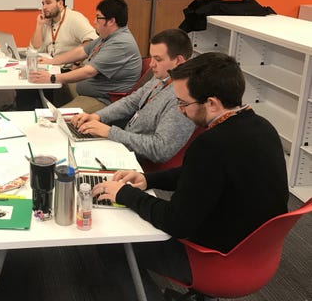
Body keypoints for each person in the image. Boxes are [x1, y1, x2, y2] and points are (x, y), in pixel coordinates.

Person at [92, 52, 289, 300]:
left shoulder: (210, 144)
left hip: (214, 260)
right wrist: (148, 180)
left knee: (111, 243)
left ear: (212, 104)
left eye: (184, 103)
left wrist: (125, 194)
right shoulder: (263, 127)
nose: (180, 110)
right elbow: (200, 176)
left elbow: (175, 222)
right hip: (256, 255)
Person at [70, 29, 196, 164]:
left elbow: (160, 149)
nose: (152, 64)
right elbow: (131, 101)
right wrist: (98, 116)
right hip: (123, 146)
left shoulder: (184, 98)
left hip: (138, 164)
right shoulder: (163, 76)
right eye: (152, 57)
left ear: (178, 61)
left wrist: (110, 132)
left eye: (158, 59)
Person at [28, 0, 142, 113]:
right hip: (90, 90)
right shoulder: (108, 37)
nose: (94, 21)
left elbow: (89, 71)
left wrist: (52, 78)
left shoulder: (120, 43)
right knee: (50, 91)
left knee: (56, 118)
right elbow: (82, 51)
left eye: (98, 18)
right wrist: (53, 61)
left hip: (104, 100)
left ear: (111, 21)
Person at [16, 0, 98, 110]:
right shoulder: (47, 21)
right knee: (27, 82)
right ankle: (27, 112)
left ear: (60, 4)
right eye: (43, 4)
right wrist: (39, 25)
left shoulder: (75, 18)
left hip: (67, 68)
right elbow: (35, 48)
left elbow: (92, 41)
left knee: (35, 84)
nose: (44, 7)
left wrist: (76, 62)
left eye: (48, 3)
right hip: (53, 65)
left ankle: (39, 111)